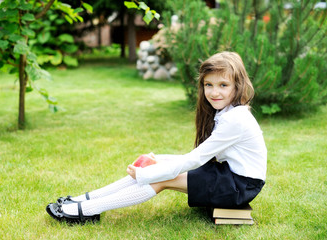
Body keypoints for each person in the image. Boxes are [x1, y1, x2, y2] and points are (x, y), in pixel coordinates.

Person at [46, 51, 267, 224]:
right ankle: (86, 200)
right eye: (208, 85)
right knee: (155, 165)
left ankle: (87, 211)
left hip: (239, 186)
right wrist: (157, 160)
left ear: (237, 86)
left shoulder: (235, 120)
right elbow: (196, 157)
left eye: (223, 85)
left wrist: (147, 173)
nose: (214, 92)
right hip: (229, 176)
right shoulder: (228, 112)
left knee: (159, 178)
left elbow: (195, 159)